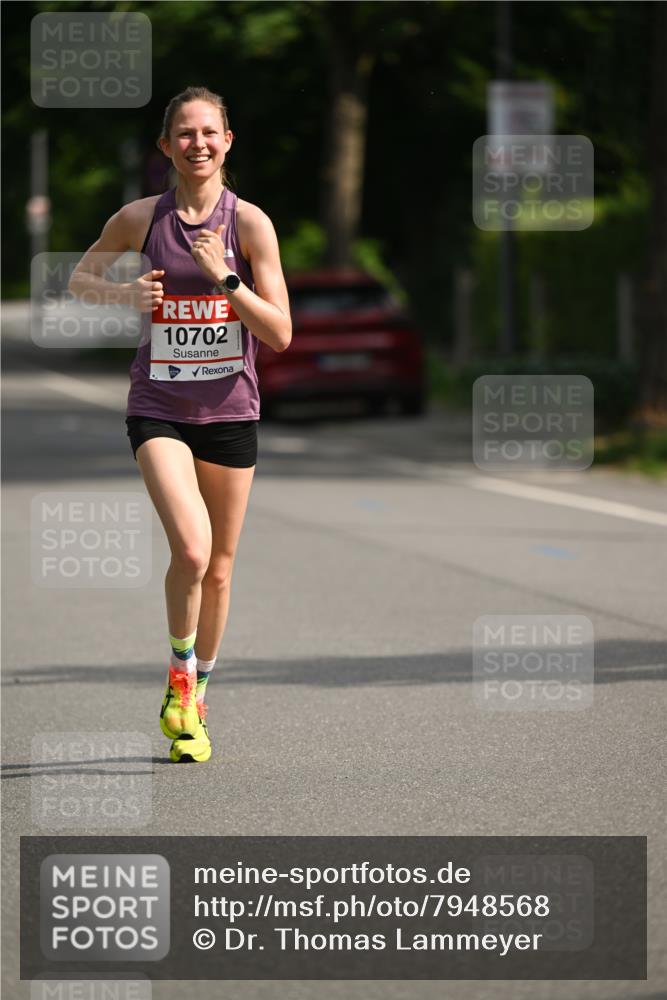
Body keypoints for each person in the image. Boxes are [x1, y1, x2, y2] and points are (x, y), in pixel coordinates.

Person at [69, 86, 291, 762]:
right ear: (166, 146)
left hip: (230, 411)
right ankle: (176, 674)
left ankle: (195, 698)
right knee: (191, 552)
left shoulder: (249, 225)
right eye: (184, 134)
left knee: (219, 569)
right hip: (159, 407)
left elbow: (278, 333)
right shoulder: (140, 218)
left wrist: (226, 279)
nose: (198, 143)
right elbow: (79, 279)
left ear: (228, 142)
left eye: (209, 132)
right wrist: (121, 292)